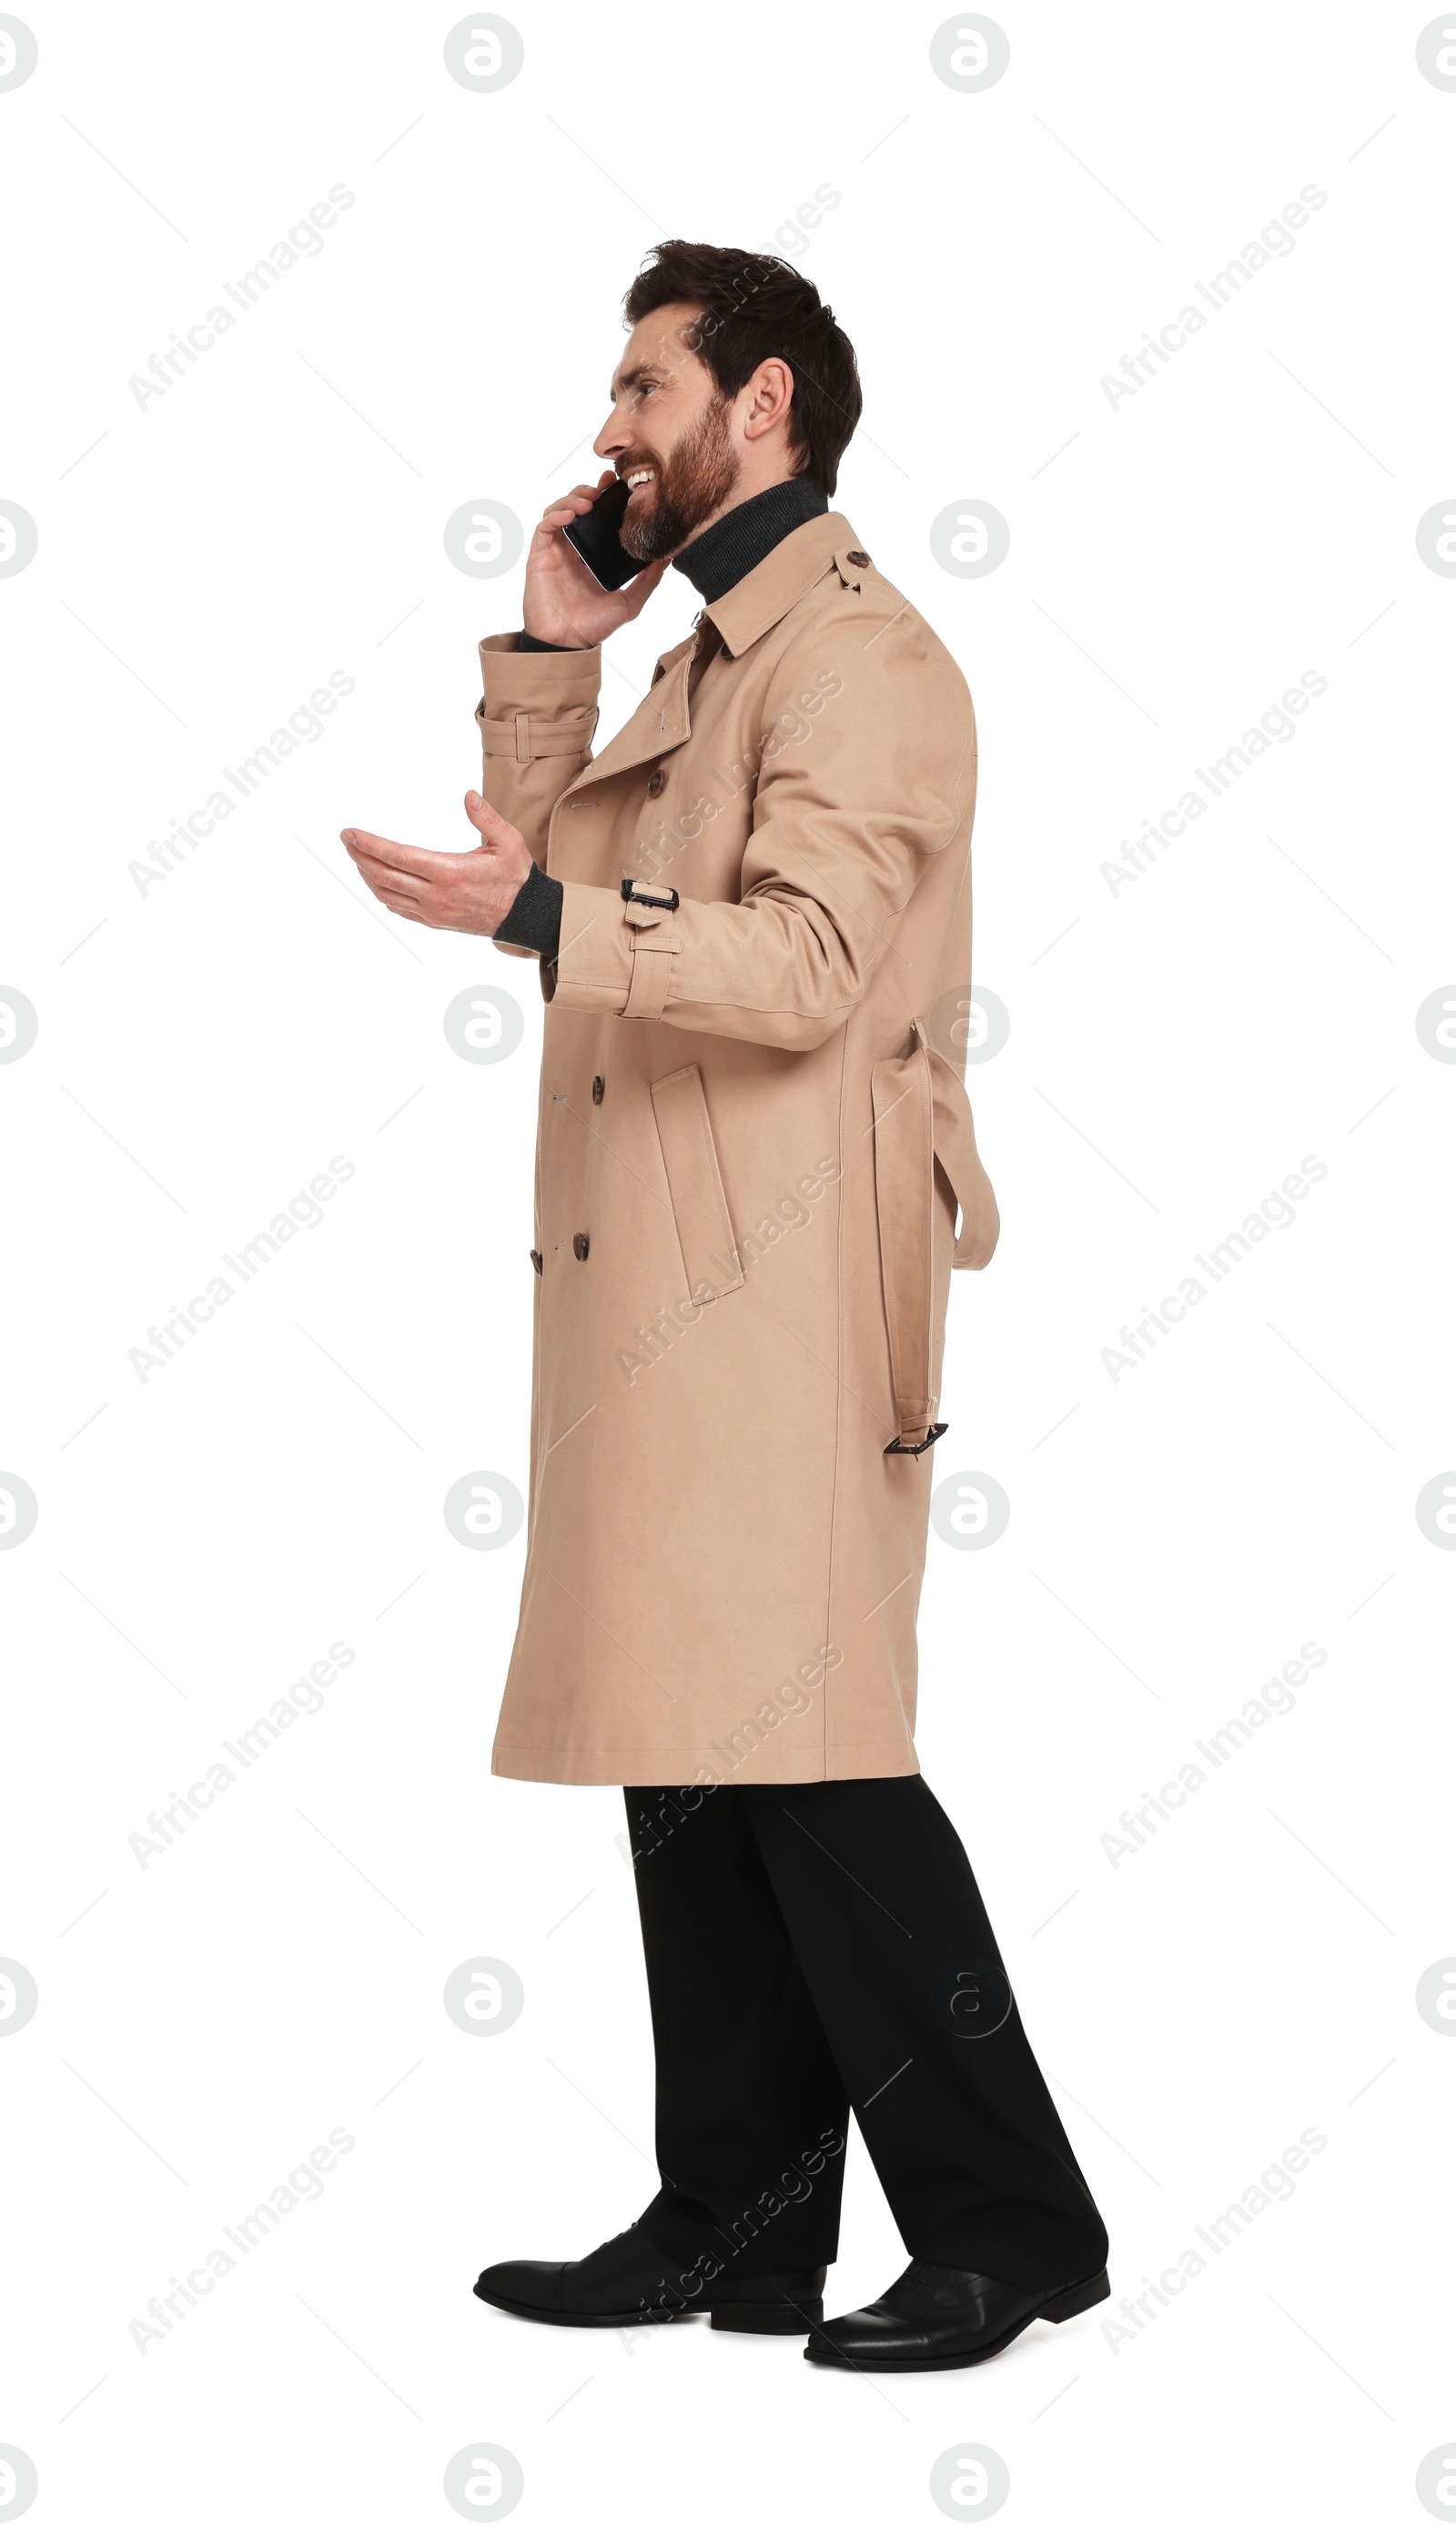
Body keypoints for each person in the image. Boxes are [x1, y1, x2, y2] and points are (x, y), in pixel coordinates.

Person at [340, 240, 1109, 2371]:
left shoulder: (859, 664)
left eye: (637, 387)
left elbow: (785, 968)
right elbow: (548, 864)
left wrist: (535, 899)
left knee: (815, 1758)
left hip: (780, 1281)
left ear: (756, 403)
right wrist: (546, 644)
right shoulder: (696, 664)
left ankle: (1009, 2220)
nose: (605, 430)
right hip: (666, 1275)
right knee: (691, 1754)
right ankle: (738, 2221)